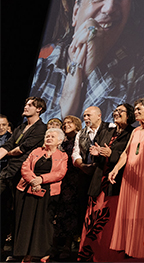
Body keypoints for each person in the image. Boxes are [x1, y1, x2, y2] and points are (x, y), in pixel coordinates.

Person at [30, 0, 144, 123]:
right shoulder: (40, 70)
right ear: (75, 13)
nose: (109, 8)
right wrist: (65, 108)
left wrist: (93, 70)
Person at [78, 104, 134, 262]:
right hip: (98, 181)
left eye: (120, 111)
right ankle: (88, 256)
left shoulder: (132, 133)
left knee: (108, 221)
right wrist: (96, 154)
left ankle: (106, 257)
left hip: (115, 183)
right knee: (92, 219)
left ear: (129, 115)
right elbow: (99, 151)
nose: (116, 113)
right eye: (115, 110)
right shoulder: (107, 131)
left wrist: (112, 154)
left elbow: (130, 157)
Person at [108, 98, 144, 258]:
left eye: (139, 109)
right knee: (128, 212)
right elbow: (126, 153)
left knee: (142, 213)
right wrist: (116, 169)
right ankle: (128, 248)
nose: (135, 112)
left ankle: (141, 251)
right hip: (129, 177)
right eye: (135, 110)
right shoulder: (135, 131)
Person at [0, 97, 47, 253]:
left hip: (23, 174)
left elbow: (21, 149)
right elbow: (7, 145)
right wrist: (6, 153)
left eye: (30, 105)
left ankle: (18, 250)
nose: (25, 107)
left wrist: (8, 153)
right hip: (8, 171)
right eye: (26, 104)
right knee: (3, 209)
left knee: (17, 213)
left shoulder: (41, 128)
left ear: (39, 109)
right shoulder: (20, 128)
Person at [13, 128, 68, 262]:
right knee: (27, 222)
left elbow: (60, 173)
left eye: (52, 137)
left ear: (59, 141)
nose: (48, 138)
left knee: (43, 223)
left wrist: (41, 179)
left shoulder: (62, 155)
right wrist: (33, 180)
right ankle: (26, 253)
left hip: (49, 192)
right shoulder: (36, 151)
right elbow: (25, 167)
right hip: (29, 188)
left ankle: (42, 252)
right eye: (47, 136)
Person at [52, 115, 82, 260]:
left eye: (69, 123)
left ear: (77, 125)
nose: (65, 125)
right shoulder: (62, 142)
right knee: (59, 212)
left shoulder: (79, 139)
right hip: (61, 180)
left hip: (74, 180)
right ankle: (55, 245)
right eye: (64, 123)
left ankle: (67, 246)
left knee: (71, 213)